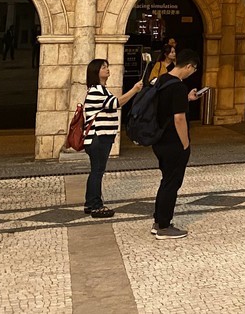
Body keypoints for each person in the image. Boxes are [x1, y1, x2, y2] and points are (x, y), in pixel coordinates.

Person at [82, 59, 142, 218]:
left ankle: (90, 203)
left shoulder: (101, 89)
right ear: (96, 72)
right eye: (103, 67)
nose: (107, 69)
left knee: (96, 170)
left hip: (101, 137)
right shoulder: (96, 90)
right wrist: (134, 90)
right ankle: (95, 206)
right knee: (97, 171)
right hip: (98, 137)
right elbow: (115, 103)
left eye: (107, 66)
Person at [151, 49, 200, 240]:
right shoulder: (178, 86)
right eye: (193, 69)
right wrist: (185, 143)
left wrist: (187, 99)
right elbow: (179, 118)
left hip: (160, 140)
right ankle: (164, 225)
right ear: (188, 66)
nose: (192, 73)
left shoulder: (162, 80)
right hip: (173, 142)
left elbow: (166, 105)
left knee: (166, 181)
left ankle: (158, 220)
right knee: (172, 183)